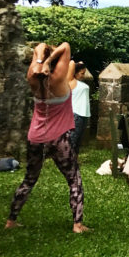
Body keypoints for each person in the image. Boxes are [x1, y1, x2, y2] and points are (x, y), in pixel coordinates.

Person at [6, 42, 89, 233]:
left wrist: (41, 59)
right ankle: (77, 224)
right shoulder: (60, 79)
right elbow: (67, 46)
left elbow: (39, 48)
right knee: (74, 180)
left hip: (36, 137)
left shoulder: (32, 79)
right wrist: (50, 59)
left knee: (29, 179)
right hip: (59, 139)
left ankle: (11, 220)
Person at [68, 61, 90, 152]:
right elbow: (71, 63)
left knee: (78, 141)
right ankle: (67, 161)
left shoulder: (81, 83)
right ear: (75, 72)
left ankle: (74, 161)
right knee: (72, 140)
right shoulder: (71, 81)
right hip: (75, 114)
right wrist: (79, 63)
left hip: (84, 115)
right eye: (82, 73)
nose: (83, 76)